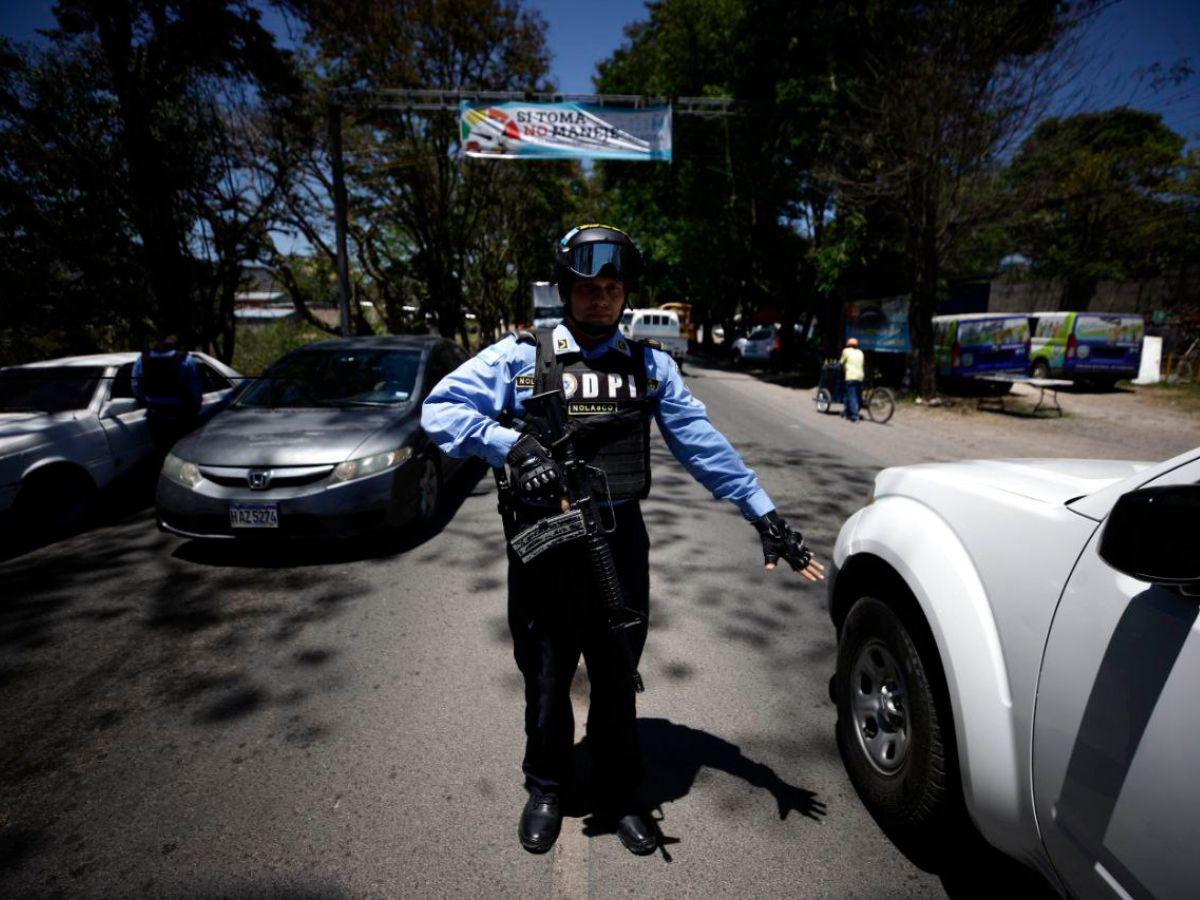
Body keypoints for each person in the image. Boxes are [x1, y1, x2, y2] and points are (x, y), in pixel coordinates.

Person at [421, 224, 824, 857]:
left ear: (625, 294)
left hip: (618, 540)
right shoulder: (519, 356)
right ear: (565, 291)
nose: (601, 300)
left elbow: (700, 443)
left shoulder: (648, 364)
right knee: (548, 678)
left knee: (615, 677)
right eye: (588, 288)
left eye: (612, 288)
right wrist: (512, 446)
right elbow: (441, 410)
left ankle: (620, 793)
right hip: (543, 544)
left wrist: (762, 512)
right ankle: (548, 787)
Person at [132, 335, 203, 449]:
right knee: (182, 452)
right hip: (180, 413)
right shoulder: (185, 359)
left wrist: (147, 400)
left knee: (160, 451)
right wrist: (196, 408)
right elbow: (195, 389)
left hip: (156, 413)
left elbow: (136, 386)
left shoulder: (142, 359)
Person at [839, 337, 865, 422]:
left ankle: (855, 416)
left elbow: (841, 363)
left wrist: (842, 368)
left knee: (852, 396)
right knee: (851, 394)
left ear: (848, 345)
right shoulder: (861, 352)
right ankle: (846, 412)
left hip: (850, 376)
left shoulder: (846, 351)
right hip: (860, 377)